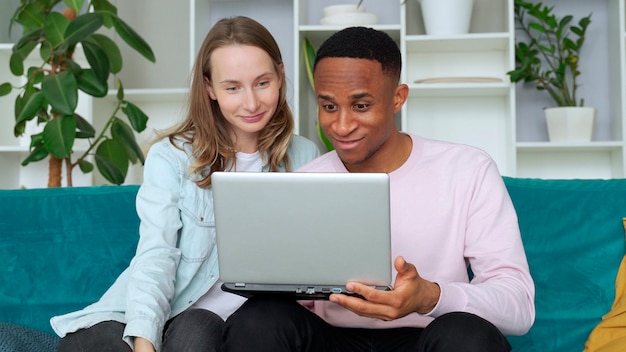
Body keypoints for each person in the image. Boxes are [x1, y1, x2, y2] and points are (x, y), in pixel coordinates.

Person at [222, 26, 535, 352]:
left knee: (468, 336)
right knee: (257, 320)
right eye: (329, 106)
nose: (341, 126)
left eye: (360, 106)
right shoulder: (306, 180)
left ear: (398, 98)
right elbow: (291, 311)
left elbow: (519, 306)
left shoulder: (467, 169)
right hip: (332, 339)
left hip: (427, 339)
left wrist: (430, 296)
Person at [50, 16, 319, 352]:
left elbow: (311, 269)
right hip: (144, 312)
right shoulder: (171, 157)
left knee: (197, 329)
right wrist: (145, 343)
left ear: (280, 76)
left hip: (220, 326)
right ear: (210, 88)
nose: (251, 103)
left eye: (262, 83)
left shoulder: (306, 156)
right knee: (95, 344)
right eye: (232, 87)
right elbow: (156, 256)